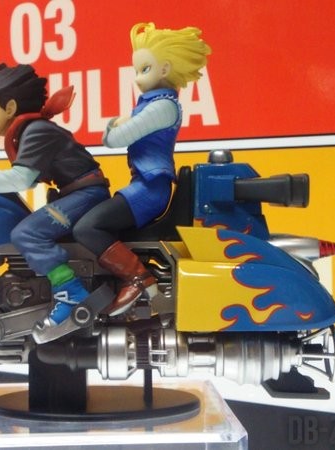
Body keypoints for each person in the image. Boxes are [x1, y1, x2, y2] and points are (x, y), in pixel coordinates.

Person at [0, 63, 111, 329]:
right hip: (78, 193)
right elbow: (27, 178)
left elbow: (22, 178)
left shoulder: (36, 131)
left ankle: (71, 292)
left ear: (11, 107)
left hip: (86, 195)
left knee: (26, 233)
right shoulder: (29, 131)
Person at [73, 22, 210, 316]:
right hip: (142, 187)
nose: (137, 79)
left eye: (144, 69)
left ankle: (138, 279)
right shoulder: (151, 104)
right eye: (136, 70)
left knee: (87, 227)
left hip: (149, 190)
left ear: (165, 69)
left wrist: (114, 124)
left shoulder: (163, 107)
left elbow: (115, 139)